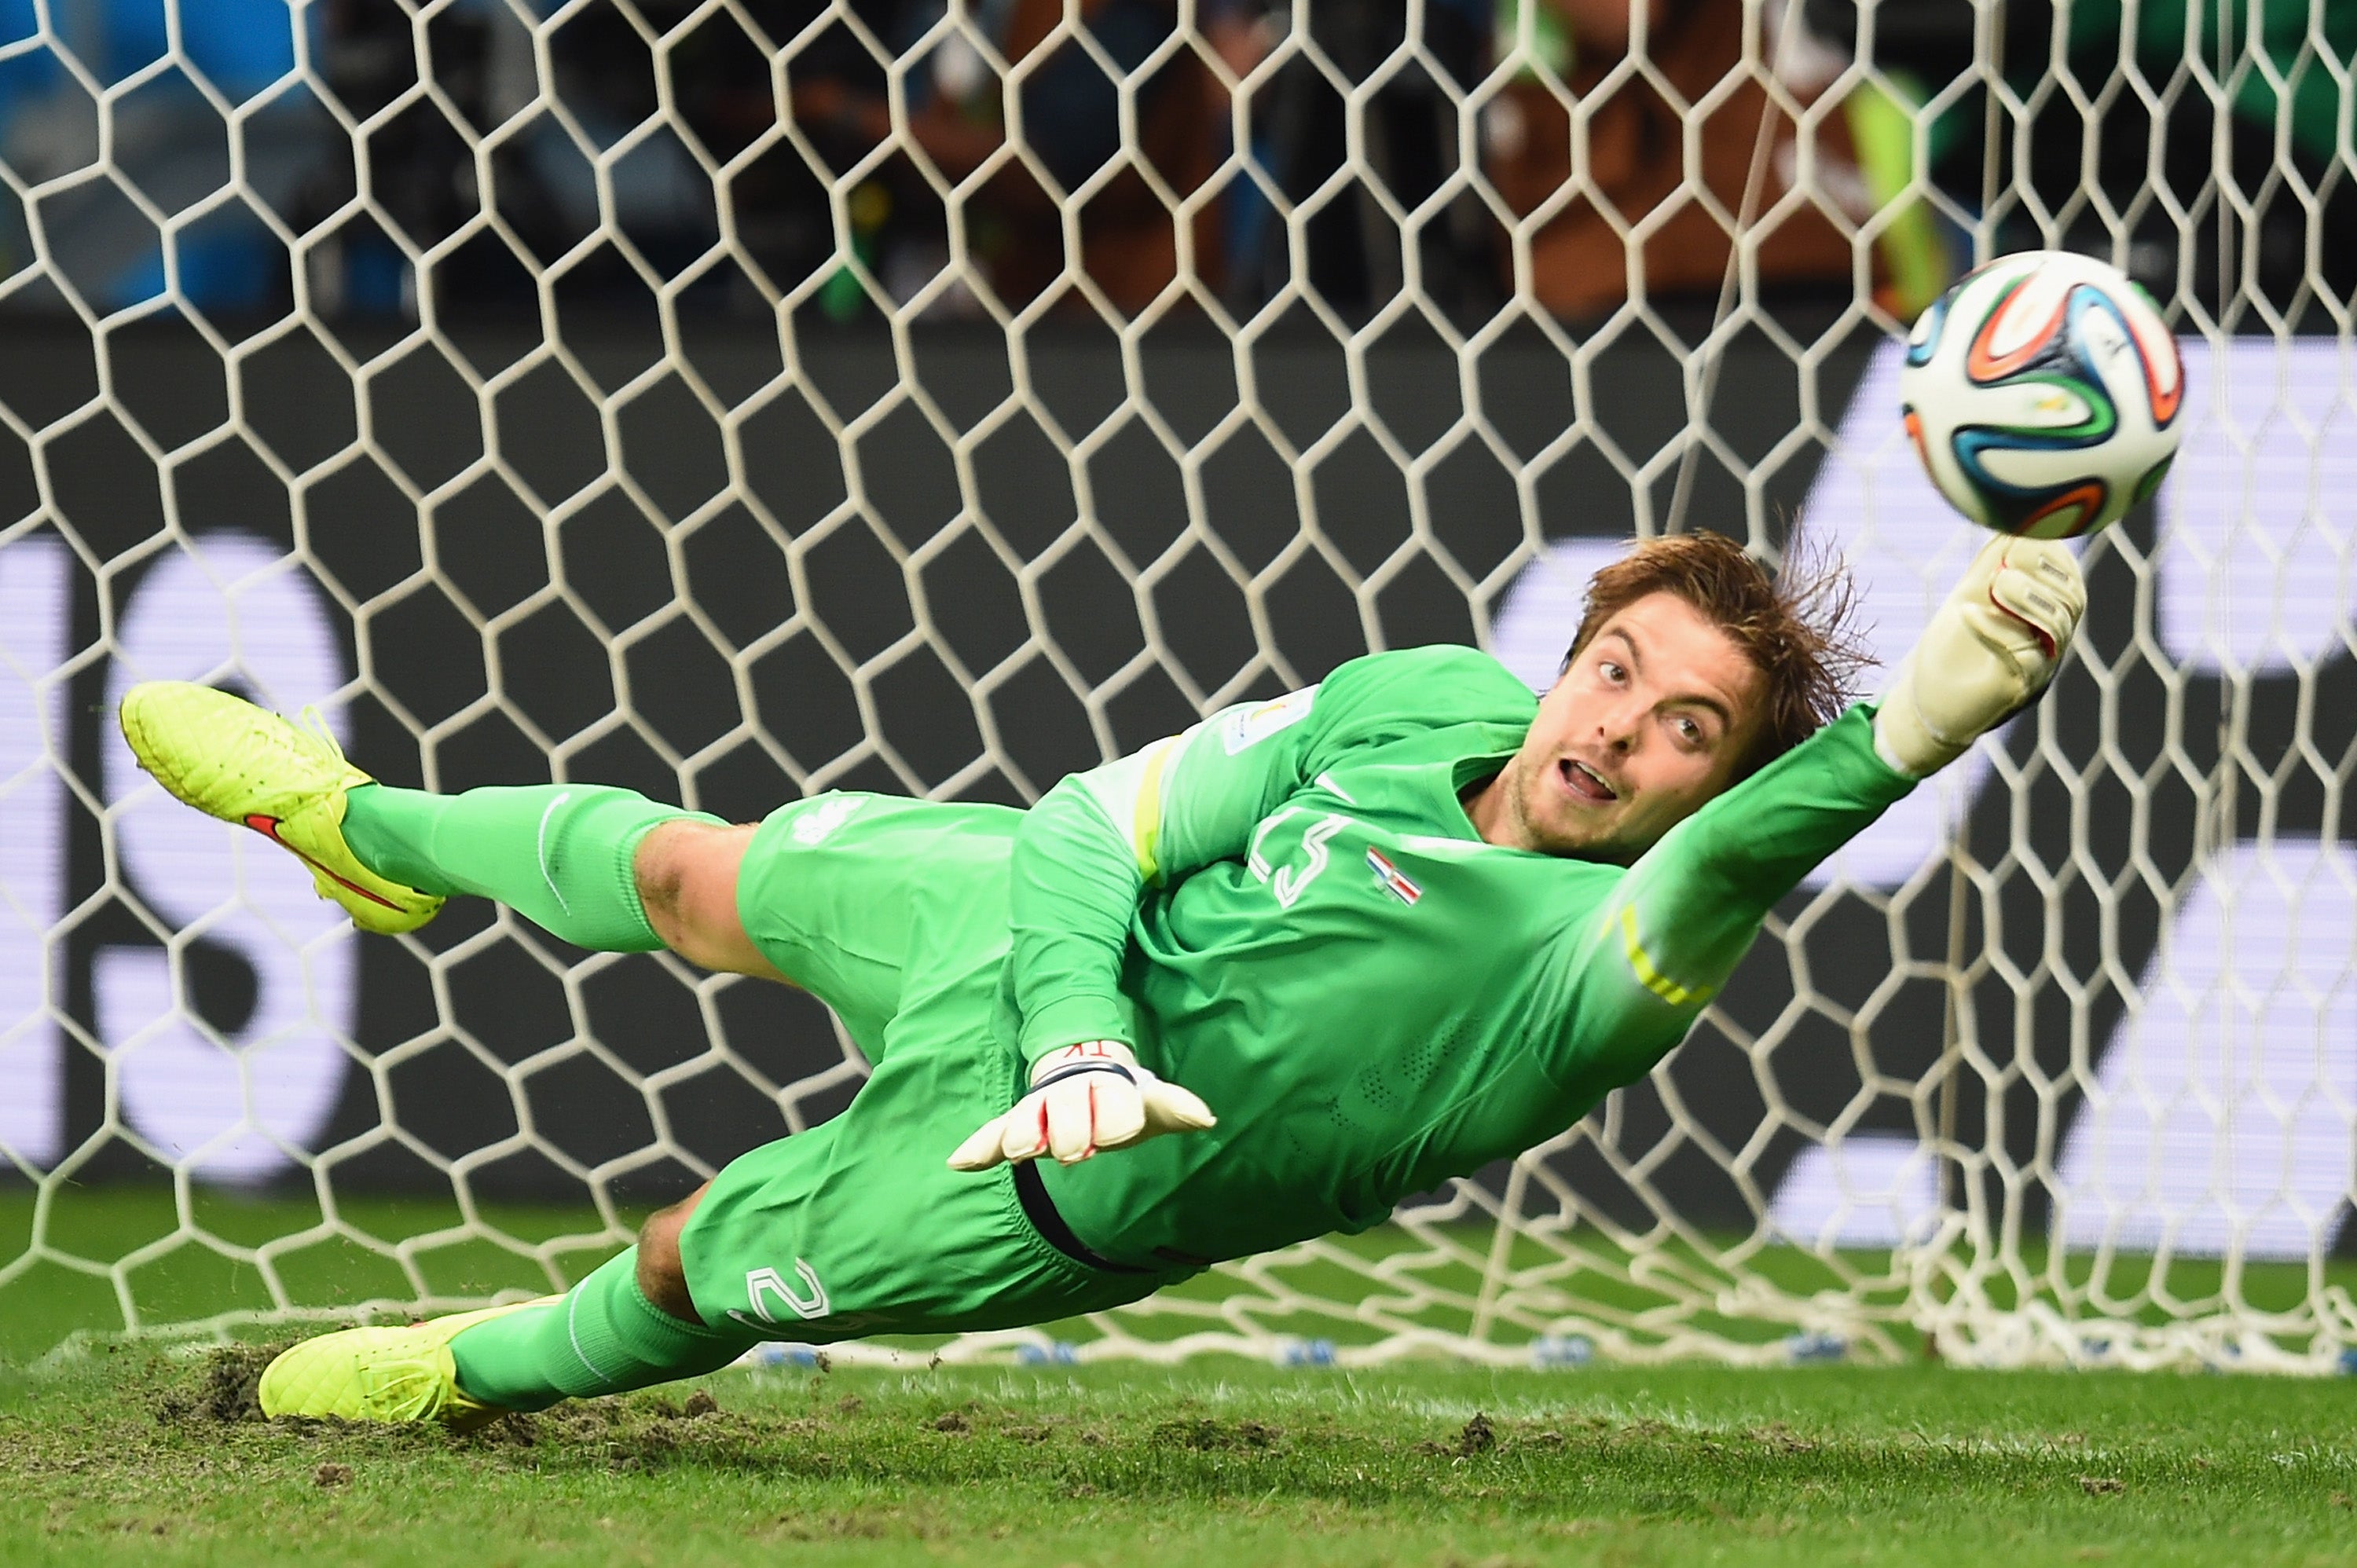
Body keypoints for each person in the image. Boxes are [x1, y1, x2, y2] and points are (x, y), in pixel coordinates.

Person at [118, 529, 2083, 1426]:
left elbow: (1747, 852)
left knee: (677, 1260)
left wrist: (1912, 722)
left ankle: (464, 1373)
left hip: (1047, 1182)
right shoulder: (1420, 704)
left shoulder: (1609, 960)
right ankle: (366, 830)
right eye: (1617, 673)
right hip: (1030, 950)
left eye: (1688, 732)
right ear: (1563, 656)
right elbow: (1092, 821)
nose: (1621, 733)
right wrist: (1073, 1021)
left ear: (1710, 789)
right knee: (686, 868)